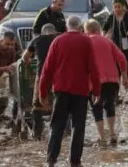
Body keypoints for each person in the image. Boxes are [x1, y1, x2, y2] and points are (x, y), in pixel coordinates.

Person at [40, 15, 101, 167]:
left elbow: (47, 69)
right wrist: (97, 90)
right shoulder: (86, 41)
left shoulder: (58, 41)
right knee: (78, 127)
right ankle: (75, 162)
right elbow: (93, 68)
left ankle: (51, 160)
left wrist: (42, 93)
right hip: (80, 91)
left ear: (67, 26)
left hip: (61, 90)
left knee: (57, 125)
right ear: (80, 27)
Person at [84, 19, 128, 146]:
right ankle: (113, 134)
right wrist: (125, 77)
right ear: (98, 30)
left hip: (94, 81)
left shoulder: (86, 42)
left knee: (96, 108)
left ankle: (102, 138)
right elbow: (122, 59)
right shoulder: (108, 42)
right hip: (112, 80)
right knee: (110, 106)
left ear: (87, 30)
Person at [22, 23, 58, 140]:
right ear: (54, 32)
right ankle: (59, 132)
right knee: (58, 103)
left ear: (42, 32)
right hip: (58, 76)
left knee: (37, 104)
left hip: (42, 75)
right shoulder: (59, 39)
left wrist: (29, 61)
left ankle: (37, 134)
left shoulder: (37, 40)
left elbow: (25, 57)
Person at [102, 0, 128, 103]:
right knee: (116, 73)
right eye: (115, 7)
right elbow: (104, 28)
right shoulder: (112, 17)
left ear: (123, 6)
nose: (117, 9)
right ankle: (115, 97)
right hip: (115, 49)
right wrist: (105, 37)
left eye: (119, 7)